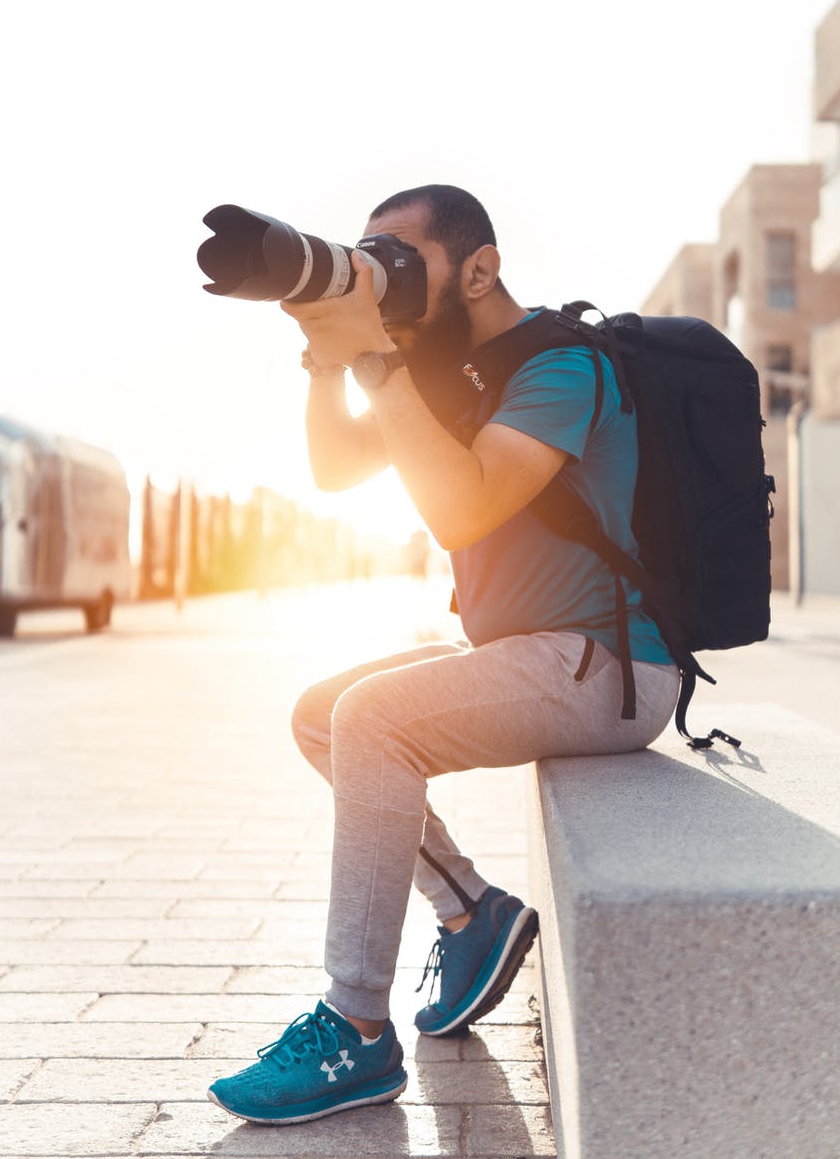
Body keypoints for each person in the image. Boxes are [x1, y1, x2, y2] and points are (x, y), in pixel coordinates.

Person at [207, 184, 679, 1125]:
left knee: (373, 720)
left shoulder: (559, 365)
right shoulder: (438, 368)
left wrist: (377, 363)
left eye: (398, 254)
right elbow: (338, 469)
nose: (379, 269)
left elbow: (463, 506)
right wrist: (325, 354)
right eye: (366, 251)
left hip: (611, 669)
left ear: (479, 267)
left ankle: (355, 1030)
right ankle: (472, 911)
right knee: (320, 715)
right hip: (531, 655)